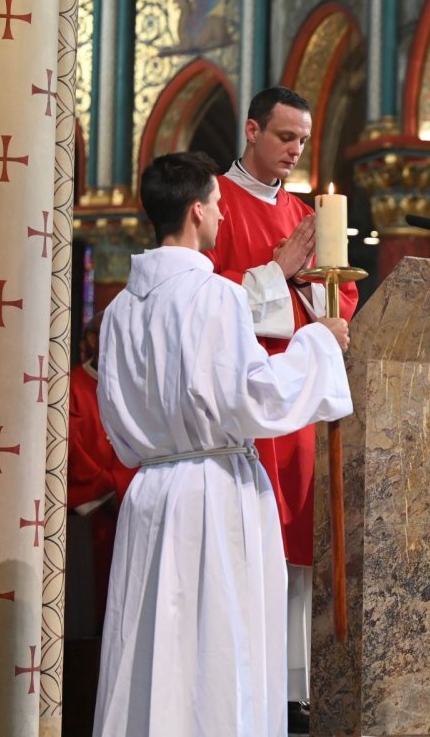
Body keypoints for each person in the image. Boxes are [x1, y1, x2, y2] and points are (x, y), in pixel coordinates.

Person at [92, 152, 352, 736]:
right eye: (215, 204)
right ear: (195, 212)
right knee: (216, 649)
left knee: (153, 647)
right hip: (214, 491)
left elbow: (115, 418)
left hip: (151, 493)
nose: (222, 215)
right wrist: (321, 346)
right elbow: (253, 400)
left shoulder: (117, 313)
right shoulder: (215, 297)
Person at [202, 85, 358, 723]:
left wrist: (324, 298)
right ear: (252, 130)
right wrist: (278, 269)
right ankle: (246, 685)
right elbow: (203, 303)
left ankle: (293, 691)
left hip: (297, 403)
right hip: (245, 404)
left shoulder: (304, 213)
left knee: (296, 549)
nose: (295, 150)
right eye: (285, 137)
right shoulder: (214, 202)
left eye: (302, 140)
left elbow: (336, 305)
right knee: (253, 550)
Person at [67, 312, 136, 628]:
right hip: (91, 520)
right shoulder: (70, 387)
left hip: (135, 513)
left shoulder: (138, 388)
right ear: (93, 340)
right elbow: (67, 448)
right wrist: (111, 489)